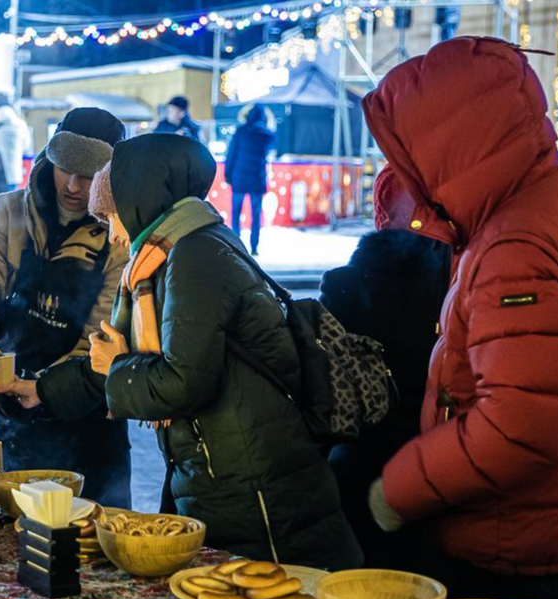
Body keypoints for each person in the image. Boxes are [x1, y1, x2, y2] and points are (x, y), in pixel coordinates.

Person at [362, 38, 558, 599]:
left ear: (448, 142)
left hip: (527, 533)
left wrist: (399, 488)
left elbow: (523, 425)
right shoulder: (552, 192)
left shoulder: (515, 243)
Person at [81, 133, 364, 571]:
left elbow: (184, 382)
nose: (114, 235)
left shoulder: (194, 256)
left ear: (139, 201)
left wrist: (119, 367)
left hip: (257, 488)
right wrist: (39, 389)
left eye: (112, 216)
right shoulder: (181, 248)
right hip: (230, 474)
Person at [0, 107, 131, 508]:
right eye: (64, 168)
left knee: (90, 533)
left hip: (87, 411)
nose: (73, 186)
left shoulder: (119, 235)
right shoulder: (9, 211)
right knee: (1, 538)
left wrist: (48, 389)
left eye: (89, 176)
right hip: (8, 401)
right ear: (47, 158)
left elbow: (105, 329)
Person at [320, 169, 452, 570]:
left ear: (380, 215)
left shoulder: (344, 285)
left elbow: (325, 383)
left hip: (358, 463)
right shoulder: (458, 282)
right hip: (438, 464)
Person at [225, 104, 275, 255]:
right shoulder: (267, 134)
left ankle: (236, 244)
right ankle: (254, 246)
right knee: (256, 214)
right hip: (257, 179)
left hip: (239, 178)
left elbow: (231, 154)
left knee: (236, 212)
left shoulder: (240, 132)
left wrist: (227, 175)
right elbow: (272, 149)